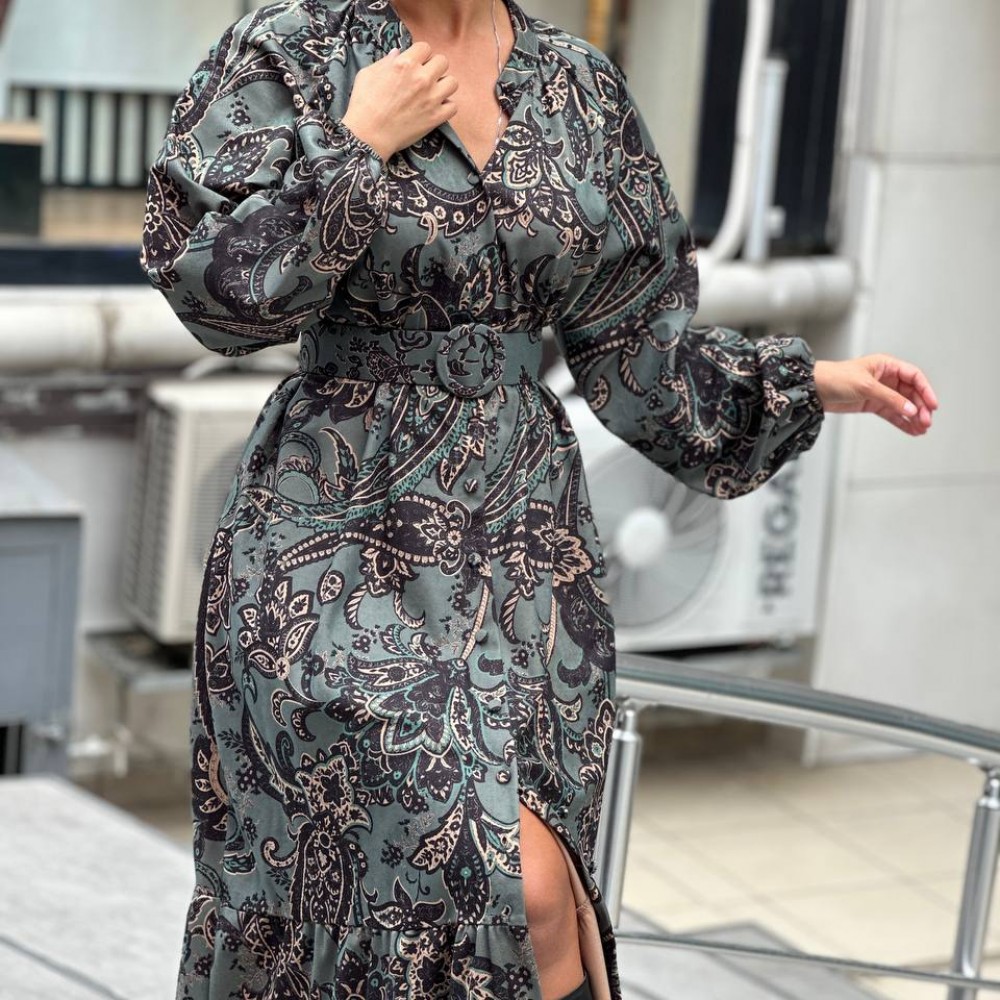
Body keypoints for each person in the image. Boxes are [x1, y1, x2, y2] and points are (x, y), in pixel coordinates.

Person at [139, 1, 938, 998]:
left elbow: (634, 350)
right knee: (480, 885)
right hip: (331, 540)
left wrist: (807, 382)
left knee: (541, 894)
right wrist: (355, 146)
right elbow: (209, 291)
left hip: (522, 546)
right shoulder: (292, 49)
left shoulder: (577, 84)